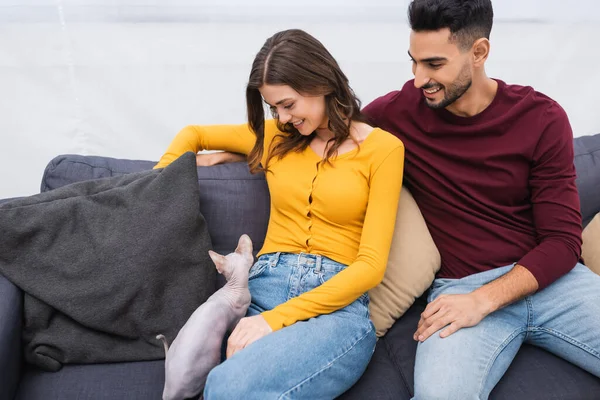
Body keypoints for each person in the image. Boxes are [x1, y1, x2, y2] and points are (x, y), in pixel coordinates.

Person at [361, 0, 600, 398]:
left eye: (433, 65)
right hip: (460, 290)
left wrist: (484, 301)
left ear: (479, 52)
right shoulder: (398, 112)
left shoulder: (542, 118)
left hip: (554, 285)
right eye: (413, 62)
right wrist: (245, 147)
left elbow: (562, 243)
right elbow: (324, 127)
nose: (419, 79)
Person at [154, 29, 405, 399]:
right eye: (275, 109)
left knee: (225, 387)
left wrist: (273, 322)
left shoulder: (383, 149)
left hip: (334, 308)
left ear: (320, 82)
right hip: (260, 286)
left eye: (288, 104)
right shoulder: (274, 138)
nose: (283, 118)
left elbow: (370, 266)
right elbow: (193, 134)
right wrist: (151, 200)